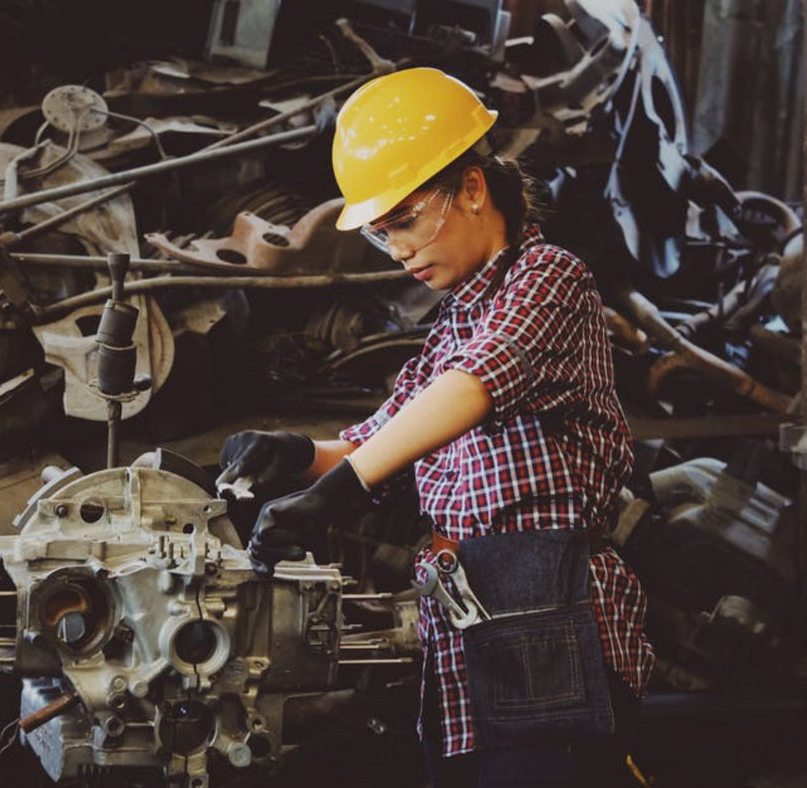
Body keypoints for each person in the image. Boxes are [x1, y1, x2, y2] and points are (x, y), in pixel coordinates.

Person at [217, 67, 655, 787]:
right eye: (384, 232)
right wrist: (293, 456)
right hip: (466, 623)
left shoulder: (549, 279)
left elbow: (475, 386)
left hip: (549, 616)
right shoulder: (454, 325)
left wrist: (343, 489)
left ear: (473, 189)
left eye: (407, 219)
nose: (397, 250)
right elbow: (376, 439)